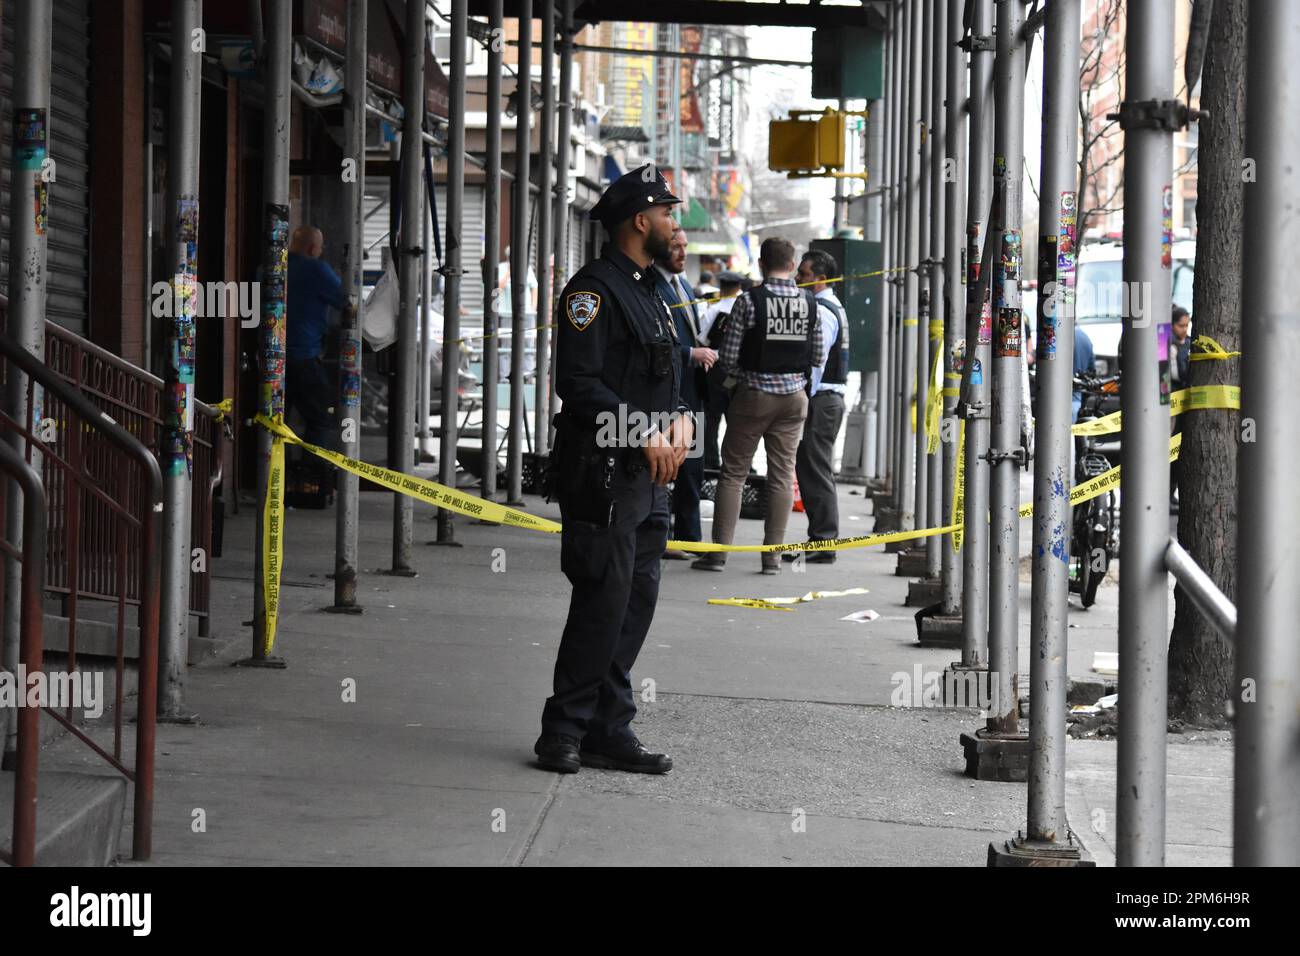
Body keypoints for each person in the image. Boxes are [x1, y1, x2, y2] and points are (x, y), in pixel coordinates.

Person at [534, 164, 694, 776]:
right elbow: (576, 384)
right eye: (669, 214)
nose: (675, 225)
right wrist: (645, 430)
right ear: (640, 220)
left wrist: (679, 421)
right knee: (603, 602)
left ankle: (608, 727)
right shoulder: (591, 292)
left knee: (635, 603)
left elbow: (663, 376)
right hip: (603, 473)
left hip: (648, 480)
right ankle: (563, 732)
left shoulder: (651, 287)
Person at [692, 237, 826, 575]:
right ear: (793, 266)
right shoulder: (810, 303)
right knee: (782, 475)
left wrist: (742, 382)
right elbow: (818, 356)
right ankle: (772, 559)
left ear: (762, 265)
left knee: (734, 473)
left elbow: (730, 356)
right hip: (794, 398)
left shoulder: (749, 301)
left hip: (753, 395)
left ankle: (719, 554)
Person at [654, 227, 717, 556]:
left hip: (692, 389)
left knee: (693, 464)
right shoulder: (653, 285)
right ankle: (663, 536)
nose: (682, 253)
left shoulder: (682, 285)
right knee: (666, 465)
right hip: (668, 389)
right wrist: (690, 354)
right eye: (676, 247)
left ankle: (690, 536)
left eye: (685, 247)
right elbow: (652, 344)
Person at [786, 249, 849, 564]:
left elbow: (817, 360)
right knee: (812, 466)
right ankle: (821, 537)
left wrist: (801, 392)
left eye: (804, 274)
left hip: (821, 399)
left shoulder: (822, 311)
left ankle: (823, 540)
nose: (798, 279)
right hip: (827, 400)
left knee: (814, 467)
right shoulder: (831, 306)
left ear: (821, 278)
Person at [286, 225, 347, 450]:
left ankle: (275, 475)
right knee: (320, 419)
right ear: (313, 249)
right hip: (304, 357)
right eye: (320, 248)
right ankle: (311, 476)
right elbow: (345, 300)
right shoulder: (317, 270)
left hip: (270, 359)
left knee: (276, 422)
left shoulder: (269, 268)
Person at [699, 270, 745, 470]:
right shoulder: (747, 308)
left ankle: (711, 462)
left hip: (717, 371)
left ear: (722, 287)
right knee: (739, 420)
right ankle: (740, 464)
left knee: (712, 418)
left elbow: (701, 340)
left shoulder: (713, 310)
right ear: (738, 287)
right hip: (740, 373)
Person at [1169, 305, 1192, 510]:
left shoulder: (1191, 343)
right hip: (1171, 402)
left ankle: (1172, 491)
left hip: (1186, 402)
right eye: (1180, 325)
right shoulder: (1165, 343)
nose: (1184, 329)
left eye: (1186, 325)